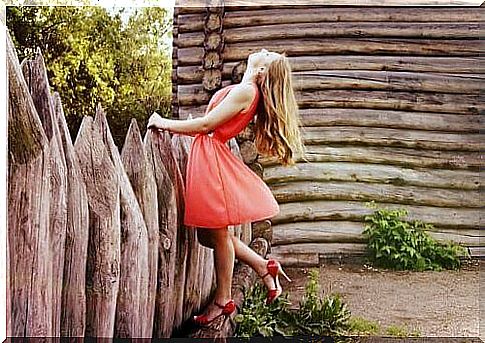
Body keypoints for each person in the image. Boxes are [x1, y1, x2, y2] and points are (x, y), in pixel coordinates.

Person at [147, 48, 307, 327]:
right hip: (209, 157)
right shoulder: (246, 90)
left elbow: (207, 124)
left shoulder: (247, 92)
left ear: (262, 71)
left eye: (267, 56)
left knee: (218, 236)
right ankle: (262, 266)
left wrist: (163, 123)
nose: (263, 51)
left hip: (211, 161)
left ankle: (223, 301)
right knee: (207, 237)